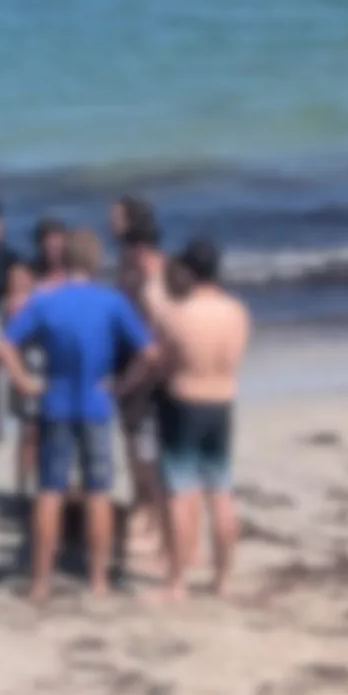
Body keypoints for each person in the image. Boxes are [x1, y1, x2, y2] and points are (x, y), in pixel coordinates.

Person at [0, 228, 158, 602]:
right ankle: (98, 579)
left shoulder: (44, 301)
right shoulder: (111, 301)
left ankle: (41, 580)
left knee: (49, 491)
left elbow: (4, 345)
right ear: (95, 261)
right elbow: (150, 354)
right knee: (98, 491)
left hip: (55, 401)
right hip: (96, 404)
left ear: (63, 259)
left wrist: (23, 381)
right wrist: (123, 386)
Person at [142, 239, 250, 600]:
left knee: (181, 493)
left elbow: (162, 363)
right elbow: (235, 354)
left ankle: (177, 581)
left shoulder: (180, 313)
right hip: (222, 401)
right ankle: (223, 578)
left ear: (188, 272)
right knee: (221, 492)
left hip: (185, 402)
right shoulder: (236, 311)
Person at [110, 196, 167, 571]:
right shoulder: (126, 265)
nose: (110, 222)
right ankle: (144, 507)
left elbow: (154, 328)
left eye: (115, 216)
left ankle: (158, 523)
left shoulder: (151, 272)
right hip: (127, 362)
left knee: (147, 453)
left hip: (143, 369)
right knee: (134, 447)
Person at [4, 218, 69, 499]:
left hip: (62, 355)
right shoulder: (25, 272)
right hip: (32, 356)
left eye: (58, 241)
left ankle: (55, 489)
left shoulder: (72, 272)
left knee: (62, 427)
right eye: (48, 242)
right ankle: (23, 490)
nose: (53, 248)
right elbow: (14, 312)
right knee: (30, 429)